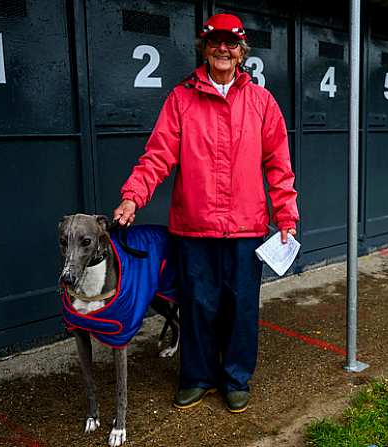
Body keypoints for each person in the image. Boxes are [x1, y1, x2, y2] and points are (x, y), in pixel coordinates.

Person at [113, 13, 299, 414]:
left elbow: (278, 165)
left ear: (241, 51)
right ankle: (196, 377)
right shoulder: (182, 99)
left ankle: (235, 379)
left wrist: (286, 216)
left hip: (246, 228)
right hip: (194, 228)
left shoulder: (262, 102)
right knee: (198, 305)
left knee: (241, 307)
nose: (223, 49)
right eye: (215, 42)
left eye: (231, 43)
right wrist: (133, 197)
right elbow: (157, 157)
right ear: (205, 46)